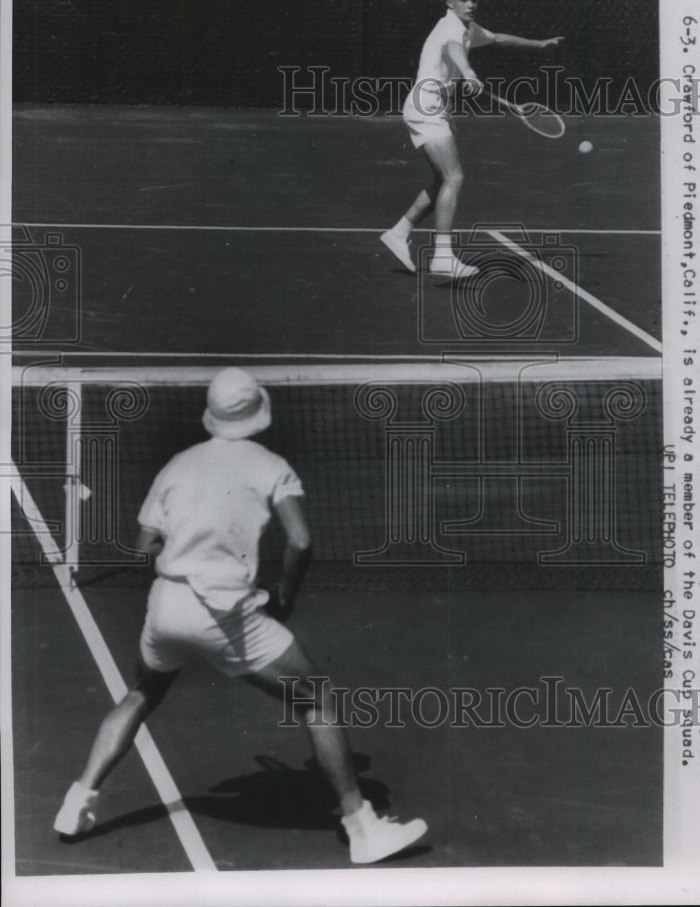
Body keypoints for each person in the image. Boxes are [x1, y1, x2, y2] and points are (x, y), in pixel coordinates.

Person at [54, 367, 428, 866]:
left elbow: (145, 545)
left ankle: (77, 803)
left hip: (166, 606)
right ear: (257, 415)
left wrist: (184, 539)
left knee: (141, 694)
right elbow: (300, 541)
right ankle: (362, 828)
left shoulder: (178, 465)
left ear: (213, 415)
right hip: (226, 614)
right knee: (315, 698)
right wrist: (285, 596)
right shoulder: (272, 466)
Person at [381, 0, 563, 278]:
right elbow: (453, 47)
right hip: (426, 106)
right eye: (463, 0)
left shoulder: (469, 29)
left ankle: (399, 233)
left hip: (435, 106)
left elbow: (497, 39)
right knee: (455, 176)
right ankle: (442, 256)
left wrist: (538, 44)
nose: (470, 5)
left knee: (442, 180)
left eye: (474, 0)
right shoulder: (451, 29)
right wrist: (467, 71)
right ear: (449, 2)